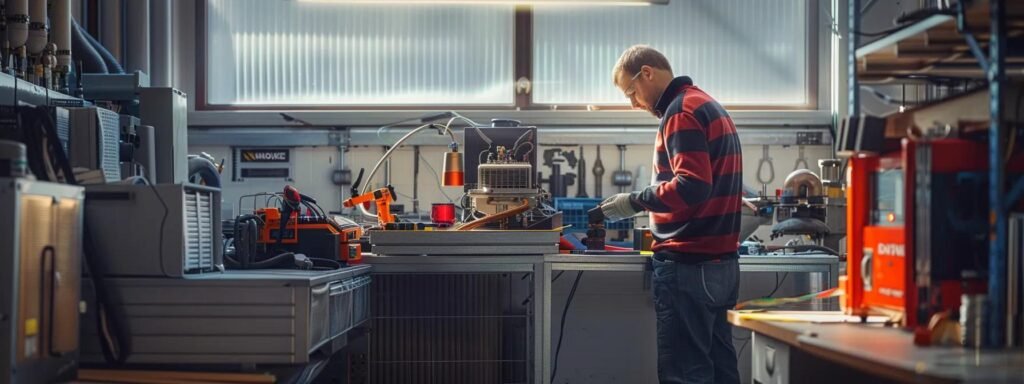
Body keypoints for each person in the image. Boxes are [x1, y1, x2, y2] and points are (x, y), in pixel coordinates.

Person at [601, 45, 743, 384]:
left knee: (686, 374)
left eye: (632, 92)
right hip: (722, 268)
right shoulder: (708, 104)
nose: (634, 104)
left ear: (647, 73)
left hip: (689, 267)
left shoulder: (681, 112)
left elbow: (692, 185)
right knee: (721, 369)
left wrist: (635, 200)